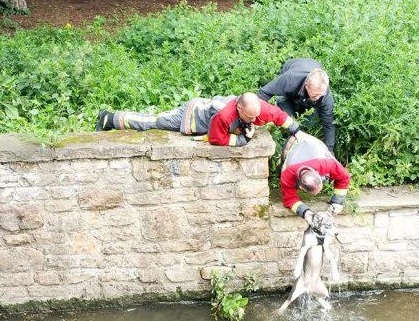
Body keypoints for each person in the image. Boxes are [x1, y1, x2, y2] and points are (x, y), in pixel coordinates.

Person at [95, 92, 304, 146]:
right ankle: (110, 119)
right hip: (191, 116)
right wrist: (243, 140)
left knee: (153, 120)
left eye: (256, 116)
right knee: (154, 122)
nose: (255, 120)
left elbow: (277, 115)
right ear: (239, 108)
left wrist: (295, 129)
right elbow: (216, 139)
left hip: (202, 115)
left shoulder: (255, 107)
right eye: (249, 117)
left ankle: (112, 118)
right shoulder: (224, 116)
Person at [258, 58, 335, 153]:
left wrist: (330, 149)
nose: (318, 97)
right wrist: (256, 115)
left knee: (311, 121)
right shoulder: (290, 79)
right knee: (289, 117)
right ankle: (281, 103)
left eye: (321, 94)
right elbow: (264, 92)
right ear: (306, 85)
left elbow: (328, 124)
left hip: (312, 66)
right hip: (293, 69)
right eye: (315, 94)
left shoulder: (326, 96)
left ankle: (303, 104)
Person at [280, 132, 350, 225]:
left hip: (313, 144)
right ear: (301, 187)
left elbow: (344, 177)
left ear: (317, 172)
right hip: (293, 144)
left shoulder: (326, 163)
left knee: (329, 175)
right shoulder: (287, 175)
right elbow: (289, 199)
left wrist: (337, 201)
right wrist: (306, 213)